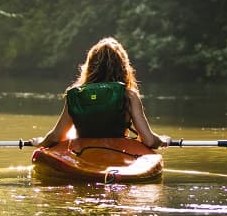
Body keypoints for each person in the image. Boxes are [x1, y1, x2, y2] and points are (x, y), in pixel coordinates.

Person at [31, 37, 170, 149]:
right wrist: (163, 140)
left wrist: (41, 142)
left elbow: (57, 137)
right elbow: (150, 141)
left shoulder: (76, 95)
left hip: (83, 154)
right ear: (123, 67)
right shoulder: (129, 96)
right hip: (118, 154)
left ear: (90, 65)